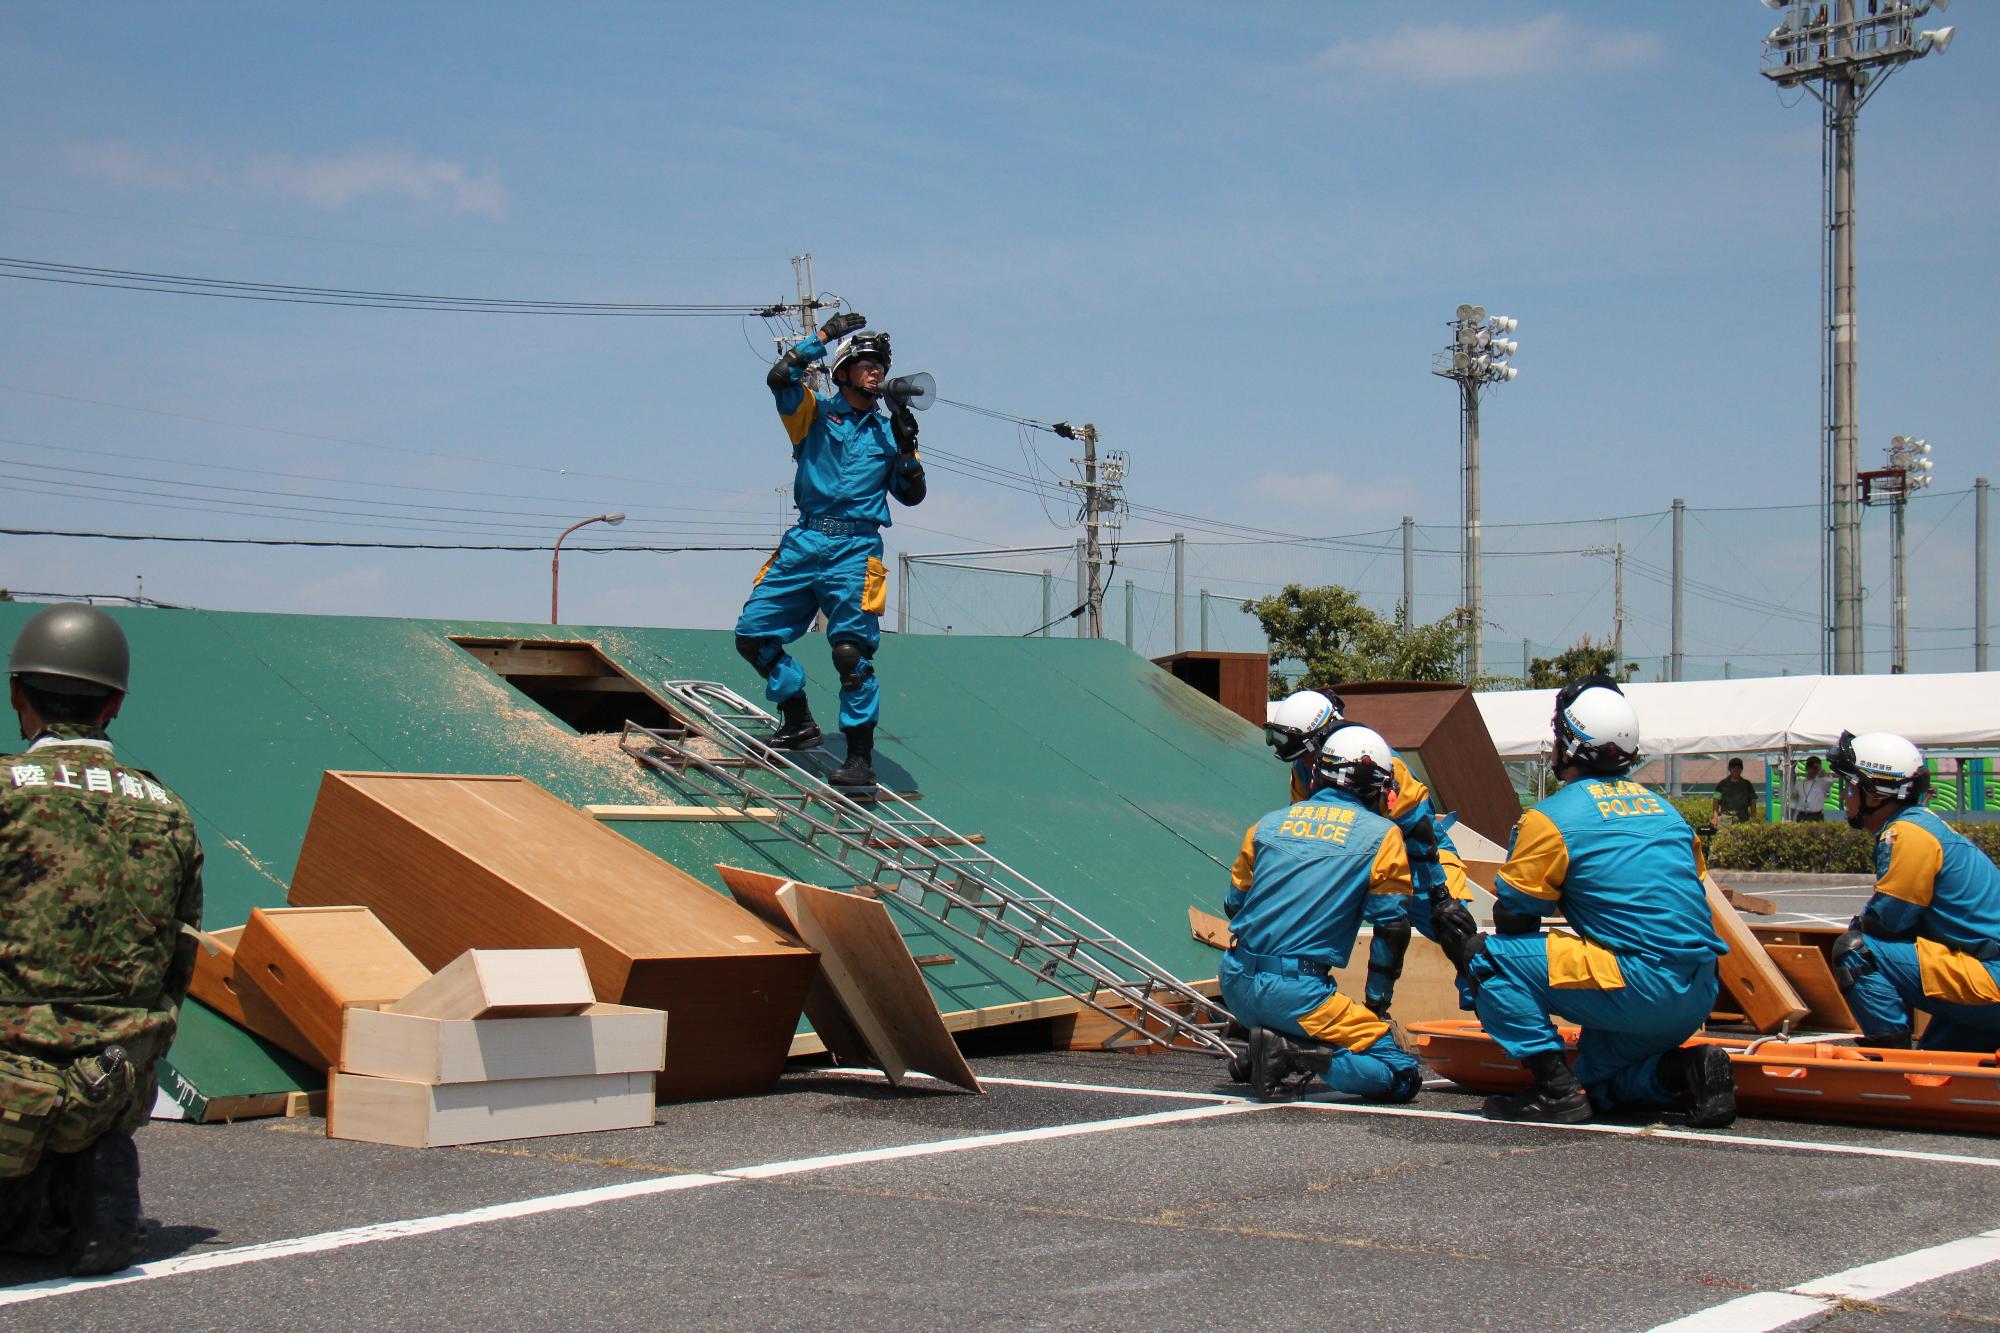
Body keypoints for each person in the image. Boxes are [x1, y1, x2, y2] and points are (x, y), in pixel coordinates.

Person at [1, 605, 203, 1274]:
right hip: (114, 1078)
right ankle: (89, 1183)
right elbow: (178, 961)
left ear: (16, 692)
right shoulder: (168, 810)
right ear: (115, 701)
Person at [1468, 675, 1734, 1127]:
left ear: (1569, 744)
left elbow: (1513, 916)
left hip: (1638, 984)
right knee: (1599, 1084)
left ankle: (1554, 1092)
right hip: (1698, 989)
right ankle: (1685, 1070)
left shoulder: (1551, 818)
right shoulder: (1665, 812)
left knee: (1486, 959)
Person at [734, 311, 928, 788]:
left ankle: (860, 757)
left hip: (856, 548)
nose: (877, 369)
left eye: (880, 363)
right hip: (804, 541)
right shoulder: (811, 413)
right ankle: (797, 718)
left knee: (850, 653)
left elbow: (912, 494)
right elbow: (779, 376)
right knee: (753, 635)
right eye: (866, 362)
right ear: (842, 372)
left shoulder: (890, 431)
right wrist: (823, 336)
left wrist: (907, 451)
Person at [1221, 722, 1424, 1104]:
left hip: (1234, 979)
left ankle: (1264, 1043)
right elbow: (1392, 927)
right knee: (1400, 1071)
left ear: (1318, 772)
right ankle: (1291, 1052)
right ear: (1380, 788)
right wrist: (1376, 1006)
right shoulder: (1383, 835)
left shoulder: (1266, 824)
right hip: (1298, 992)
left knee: (1305, 1008)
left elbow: (1234, 903)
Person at [1263, 689, 1481, 1014]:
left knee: (1453, 928)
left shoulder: (1380, 760)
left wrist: (1439, 894)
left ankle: (1490, 1003)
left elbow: (1418, 826)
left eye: (1306, 754)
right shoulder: (1303, 769)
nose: (1305, 763)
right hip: (1359, 856)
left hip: (1418, 855)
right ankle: (1300, 1002)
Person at [1827, 731, 2000, 1052]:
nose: (1845, 796)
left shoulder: (1906, 833)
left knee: (1857, 951)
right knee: (1937, 1066)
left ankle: (1892, 1063)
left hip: (1990, 978)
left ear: (1875, 794)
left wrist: (1859, 927)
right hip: (1981, 968)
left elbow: (1889, 922)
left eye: (1850, 787)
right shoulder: (1924, 825)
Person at [1713, 757, 1757, 827]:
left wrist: (1753, 819)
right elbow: (1716, 800)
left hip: (1743, 820)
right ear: (1729, 769)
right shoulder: (1722, 784)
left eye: (1739, 767)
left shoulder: (1747, 784)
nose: (1736, 769)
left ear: (1741, 769)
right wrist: (1715, 818)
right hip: (1725, 821)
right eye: (1733, 767)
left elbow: (1753, 801)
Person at [1788, 755, 1832, 822]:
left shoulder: (1822, 783)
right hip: (1802, 816)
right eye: (1812, 767)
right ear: (1807, 768)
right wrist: (1790, 818)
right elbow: (1793, 802)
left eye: (1816, 768)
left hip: (1817, 816)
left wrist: (1820, 769)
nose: (1814, 770)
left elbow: (1830, 780)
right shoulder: (1799, 784)